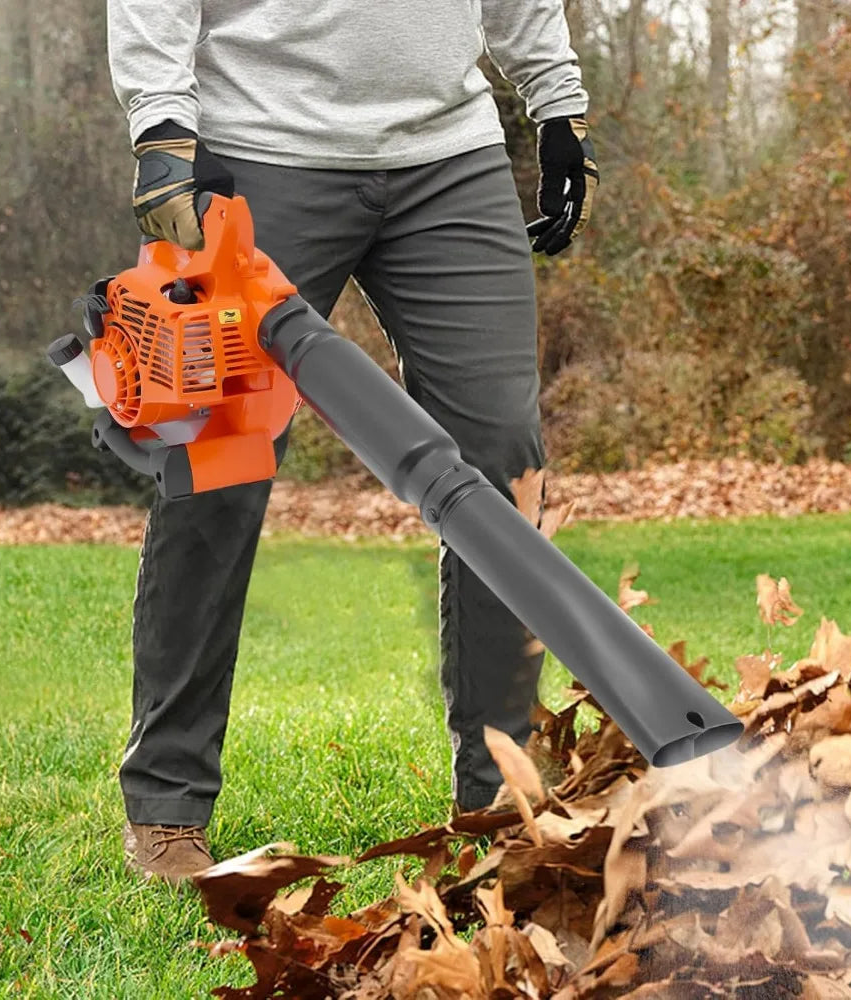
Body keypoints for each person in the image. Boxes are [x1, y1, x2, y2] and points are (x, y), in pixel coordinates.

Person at [107, 0, 598, 885]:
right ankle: (167, 801)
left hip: (450, 153)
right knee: (217, 470)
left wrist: (555, 103)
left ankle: (499, 798)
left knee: (503, 465)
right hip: (260, 147)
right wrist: (161, 126)